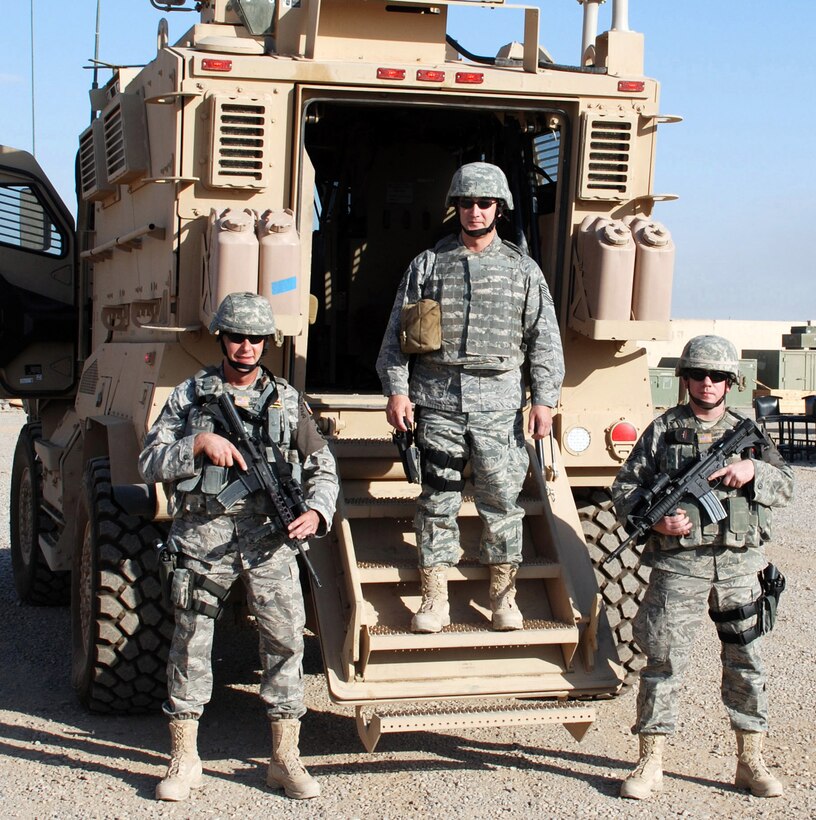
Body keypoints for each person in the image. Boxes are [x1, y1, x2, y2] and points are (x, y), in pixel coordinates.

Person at [138, 292, 338, 802]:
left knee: (286, 641)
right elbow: (148, 462)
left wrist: (316, 512)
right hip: (202, 540)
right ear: (222, 338)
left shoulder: (287, 399)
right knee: (191, 644)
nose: (246, 346)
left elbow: (322, 466)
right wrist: (198, 446)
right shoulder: (191, 396)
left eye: (255, 338)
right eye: (236, 337)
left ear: (267, 342)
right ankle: (184, 758)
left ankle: (284, 759)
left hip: (270, 542)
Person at [375, 161, 565, 634]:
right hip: (437, 399)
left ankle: (504, 598)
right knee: (437, 500)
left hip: (499, 405)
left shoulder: (523, 270)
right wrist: (397, 390)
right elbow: (398, 339)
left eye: (484, 204)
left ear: (499, 209)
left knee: (501, 502)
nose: (474, 211)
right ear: (455, 207)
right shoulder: (428, 265)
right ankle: (434, 599)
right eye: (466, 203)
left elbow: (545, 339)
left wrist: (544, 398)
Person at [611, 335, 793, 800]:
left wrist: (754, 473)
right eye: (698, 375)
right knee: (664, 661)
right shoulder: (663, 429)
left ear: (730, 381)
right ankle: (650, 761)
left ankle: (751, 760)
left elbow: (787, 485)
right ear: (685, 379)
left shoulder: (746, 430)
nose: (707, 383)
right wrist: (655, 524)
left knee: (746, 661)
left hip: (738, 566)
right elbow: (625, 487)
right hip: (679, 568)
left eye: (716, 376)